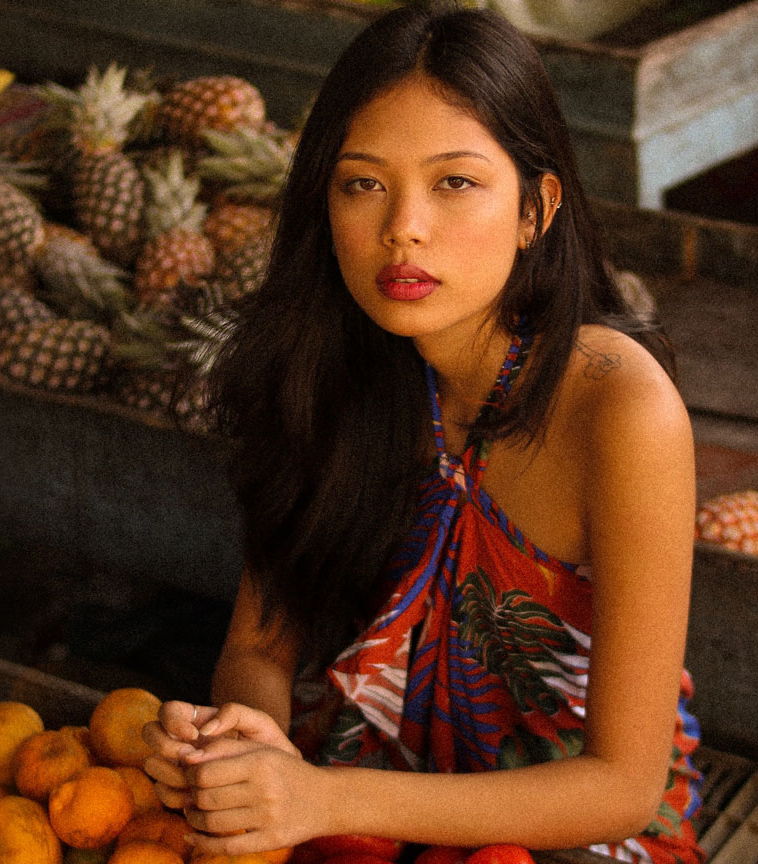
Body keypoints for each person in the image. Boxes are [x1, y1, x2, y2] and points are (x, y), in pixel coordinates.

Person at [142, 3, 703, 863]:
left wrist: (318, 799)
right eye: (363, 182)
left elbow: (623, 787)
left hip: (565, 839)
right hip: (354, 802)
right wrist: (237, 744)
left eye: (455, 182)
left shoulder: (620, 409)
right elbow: (257, 648)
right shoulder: (320, 374)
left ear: (535, 209)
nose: (402, 225)